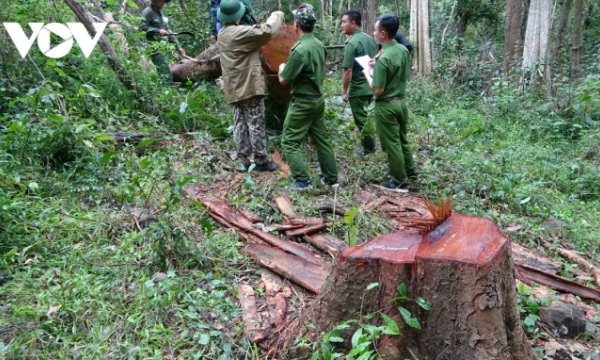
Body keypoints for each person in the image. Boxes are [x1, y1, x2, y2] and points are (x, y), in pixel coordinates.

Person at [217, 0, 284, 171]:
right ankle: (261, 161)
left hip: (233, 86)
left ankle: (244, 159)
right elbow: (267, 31)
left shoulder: (222, 33)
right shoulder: (238, 33)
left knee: (240, 122)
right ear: (238, 16)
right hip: (248, 85)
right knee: (256, 122)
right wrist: (277, 15)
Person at [278, 4, 339, 190]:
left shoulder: (299, 50)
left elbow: (283, 80)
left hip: (303, 102)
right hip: (318, 100)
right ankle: (331, 179)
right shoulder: (319, 45)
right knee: (322, 139)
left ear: (296, 23)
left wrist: (282, 66)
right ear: (313, 24)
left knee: (289, 140)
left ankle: (302, 181)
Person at [362, 15, 416, 193]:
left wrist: (367, 74)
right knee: (402, 140)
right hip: (401, 102)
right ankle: (411, 173)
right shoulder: (402, 50)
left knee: (392, 143)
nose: (373, 33)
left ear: (383, 34)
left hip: (386, 105)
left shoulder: (384, 58)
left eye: (375, 30)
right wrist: (375, 62)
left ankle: (399, 182)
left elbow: (378, 89)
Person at [340, 10, 378, 158]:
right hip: (371, 84)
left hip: (358, 88)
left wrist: (344, 91)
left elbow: (347, 70)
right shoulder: (369, 38)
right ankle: (370, 146)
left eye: (344, 22)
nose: (342, 25)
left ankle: (369, 150)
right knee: (368, 117)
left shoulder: (352, 42)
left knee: (362, 120)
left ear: (353, 23)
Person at [139, 0, 186, 85]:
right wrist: (158, 31)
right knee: (166, 76)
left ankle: (165, 94)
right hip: (155, 49)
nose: (163, 3)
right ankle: (166, 96)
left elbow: (168, 31)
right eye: (161, 1)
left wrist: (178, 47)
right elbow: (142, 27)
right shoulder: (148, 12)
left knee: (164, 73)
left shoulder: (159, 13)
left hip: (162, 48)